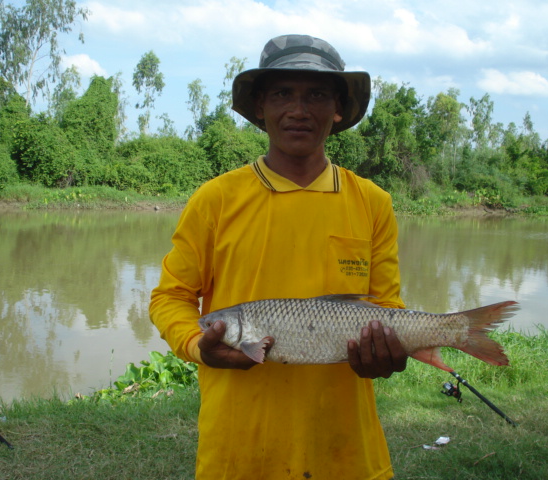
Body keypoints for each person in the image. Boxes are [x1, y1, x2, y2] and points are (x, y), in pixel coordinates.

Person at [150, 34, 408, 479]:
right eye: (282, 93)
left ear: (339, 109)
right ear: (259, 108)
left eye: (317, 95)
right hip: (240, 448)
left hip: (345, 450)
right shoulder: (216, 199)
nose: (299, 109)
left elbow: (387, 311)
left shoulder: (372, 203)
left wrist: (387, 351)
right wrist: (197, 346)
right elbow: (170, 297)